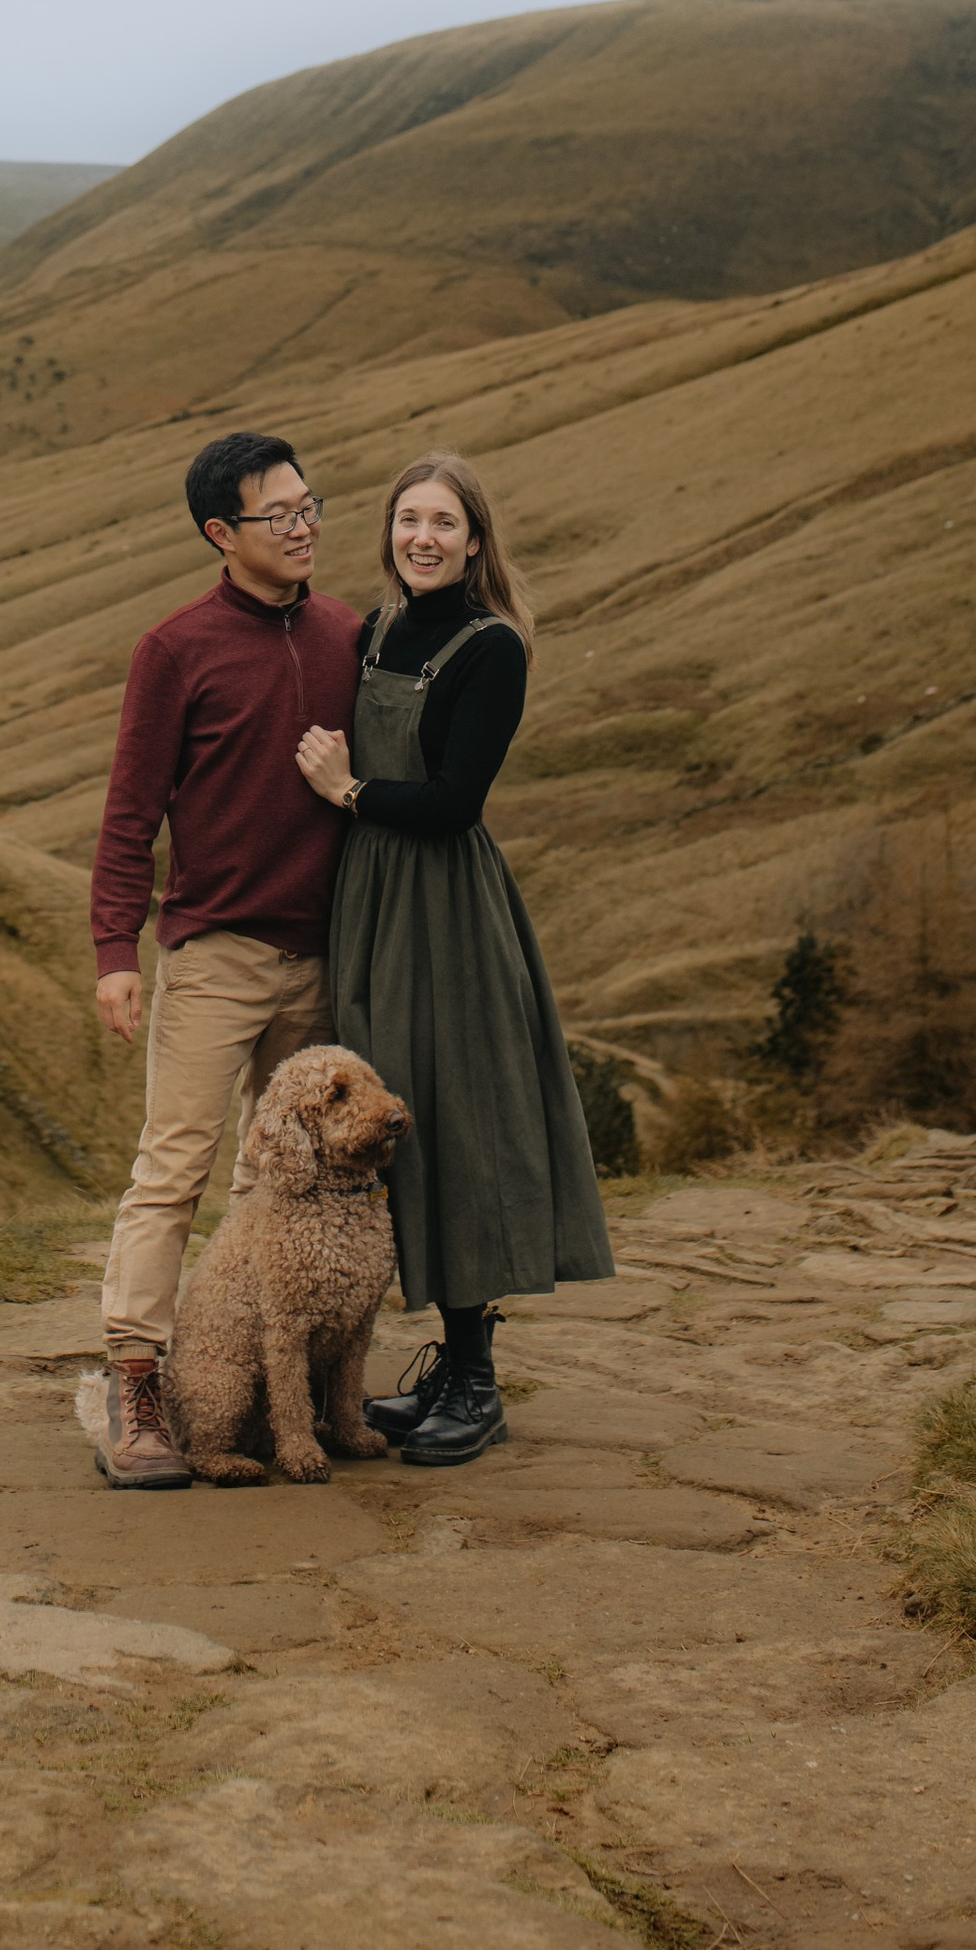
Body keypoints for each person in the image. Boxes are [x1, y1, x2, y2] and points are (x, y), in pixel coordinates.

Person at [296, 451, 613, 1468]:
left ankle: (474, 1378)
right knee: (390, 1127)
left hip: (447, 913)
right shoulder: (377, 628)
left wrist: (347, 793)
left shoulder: (492, 649)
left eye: (441, 522)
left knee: (459, 1121)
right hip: (372, 906)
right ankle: (436, 1366)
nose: (421, 538)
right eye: (406, 520)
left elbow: (451, 803)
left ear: (475, 541)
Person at [86, 428, 361, 1487]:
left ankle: (293, 1388)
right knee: (175, 1168)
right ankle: (139, 1385)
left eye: (309, 504)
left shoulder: (347, 634)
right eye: (275, 513)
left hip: (325, 957)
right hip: (214, 957)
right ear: (219, 533)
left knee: (309, 1184)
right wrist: (118, 949)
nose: (302, 525)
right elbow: (130, 812)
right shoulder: (174, 650)